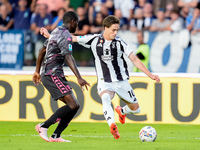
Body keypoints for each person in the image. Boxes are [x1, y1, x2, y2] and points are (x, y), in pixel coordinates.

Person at [41, 15, 160, 139]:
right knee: (106, 97)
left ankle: (121, 111)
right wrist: (50, 36)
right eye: (113, 30)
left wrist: (150, 75)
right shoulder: (93, 39)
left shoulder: (120, 43)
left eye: (117, 30)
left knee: (136, 110)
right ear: (105, 28)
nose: (115, 33)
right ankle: (112, 125)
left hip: (121, 81)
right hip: (104, 81)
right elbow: (72, 38)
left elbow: (134, 59)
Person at [32, 11, 90, 142]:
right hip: (52, 75)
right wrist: (79, 77)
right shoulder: (66, 35)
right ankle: (44, 126)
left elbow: (42, 50)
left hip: (52, 74)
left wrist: (37, 71)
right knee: (73, 104)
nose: (77, 26)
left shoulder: (56, 31)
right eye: (77, 23)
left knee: (75, 105)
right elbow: (68, 56)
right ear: (73, 22)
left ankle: (56, 135)